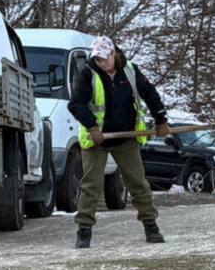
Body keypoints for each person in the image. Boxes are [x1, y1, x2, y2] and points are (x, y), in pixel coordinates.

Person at [67, 36, 170, 249]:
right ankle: (84, 230)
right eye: (98, 60)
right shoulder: (87, 73)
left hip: (126, 137)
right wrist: (93, 127)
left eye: (105, 59)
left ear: (114, 54)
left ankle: (151, 226)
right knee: (91, 185)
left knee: (138, 183)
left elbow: (150, 94)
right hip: (97, 139)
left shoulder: (131, 71)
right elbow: (76, 104)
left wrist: (161, 121)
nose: (102, 63)